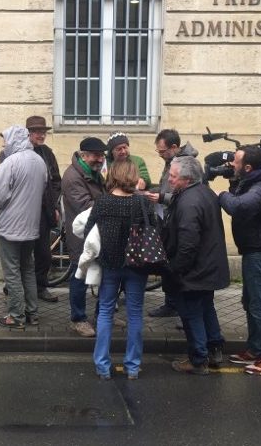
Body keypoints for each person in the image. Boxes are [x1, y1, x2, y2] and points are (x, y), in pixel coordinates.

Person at [219, 146, 261, 376]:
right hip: (253, 250)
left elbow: (238, 207)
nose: (232, 165)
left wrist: (222, 195)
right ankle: (257, 348)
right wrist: (232, 182)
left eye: (236, 162)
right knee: (250, 302)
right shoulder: (255, 179)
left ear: (248, 167)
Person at [85, 160, 152, 380]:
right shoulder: (142, 203)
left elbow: (88, 231)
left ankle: (103, 366)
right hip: (137, 265)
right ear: (133, 176)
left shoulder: (103, 202)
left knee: (105, 311)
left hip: (109, 263)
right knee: (134, 314)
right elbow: (153, 231)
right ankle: (133, 366)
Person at [161, 156, 229, 375]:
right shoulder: (205, 192)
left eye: (173, 176)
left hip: (193, 271)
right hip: (208, 267)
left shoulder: (189, 202)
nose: (170, 180)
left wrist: (175, 269)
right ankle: (215, 350)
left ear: (186, 178)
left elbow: (188, 244)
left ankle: (198, 359)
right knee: (206, 308)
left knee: (191, 314)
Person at [0, 126, 47, 328]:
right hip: (31, 226)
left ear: (13, 140)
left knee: (12, 272)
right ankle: (32, 312)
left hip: (10, 227)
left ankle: (16, 315)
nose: (3, 145)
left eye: (5, 140)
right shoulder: (39, 162)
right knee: (28, 269)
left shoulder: (10, 162)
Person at [146, 128, 198, 318]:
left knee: (176, 265)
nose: (160, 155)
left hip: (177, 221)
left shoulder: (187, 165)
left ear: (174, 147)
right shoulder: (171, 162)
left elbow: (184, 195)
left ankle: (178, 306)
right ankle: (171, 303)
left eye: (162, 151)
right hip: (167, 220)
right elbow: (167, 186)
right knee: (167, 263)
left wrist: (160, 197)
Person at [61, 137, 107, 337]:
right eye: (96, 156)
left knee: (102, 276)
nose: (100, 159)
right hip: (81, 237)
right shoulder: (73, 177)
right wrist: (114, 203)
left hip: (96, 234)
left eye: (102, 156)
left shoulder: (92, 173)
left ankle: (102, 315)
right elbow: (85, 207)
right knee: (79, 278)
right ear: (83, 155)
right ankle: (78, 319)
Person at [25, 115, 61, 303]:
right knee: (21, 251)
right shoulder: (19, 151)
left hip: (43, 210)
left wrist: (53, 204)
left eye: (43, 132)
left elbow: (56, 180)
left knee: (43, 253)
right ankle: (14, 287)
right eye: (37, 132)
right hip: (23, 211)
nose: (41, 135)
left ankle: (40, 286)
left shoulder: (47, 152)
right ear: (28, 133)